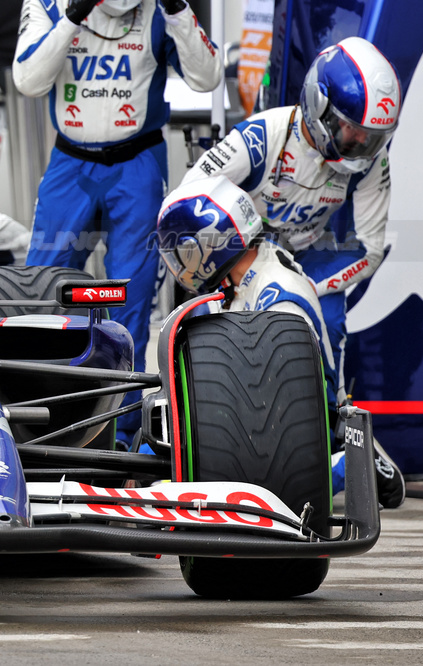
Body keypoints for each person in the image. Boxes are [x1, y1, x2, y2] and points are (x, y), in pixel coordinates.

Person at [11, 0, 222, 446]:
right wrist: (74, 15)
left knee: (131, 298)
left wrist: (177, 8)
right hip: (71, 164)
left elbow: (207, 76)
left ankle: (122, 431)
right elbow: (29, 81)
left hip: (138, 163)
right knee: (42, 289)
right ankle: (35, 413)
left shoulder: (161, 5)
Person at [155, 176, 405, 508]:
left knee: (259, 497)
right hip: (254, 406)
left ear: (215, 243)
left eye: (187, 250)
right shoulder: (241, 278)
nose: (184, 263)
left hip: (298, 419)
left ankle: (354, 459)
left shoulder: (279, 297)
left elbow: (282, 405)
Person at [179, 36, 396, 417]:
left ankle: (328, 424)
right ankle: (196, 421)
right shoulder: (260, 138)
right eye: (351, 130)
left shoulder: (371, 162)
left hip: (307, 256)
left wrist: (300, 288)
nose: (362, 143)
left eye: (371, 137)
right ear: (319, 105)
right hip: (238, 253)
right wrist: (224, 269)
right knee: (204, 329)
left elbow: (370, 247)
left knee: (325, 319)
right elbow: (187, 202)